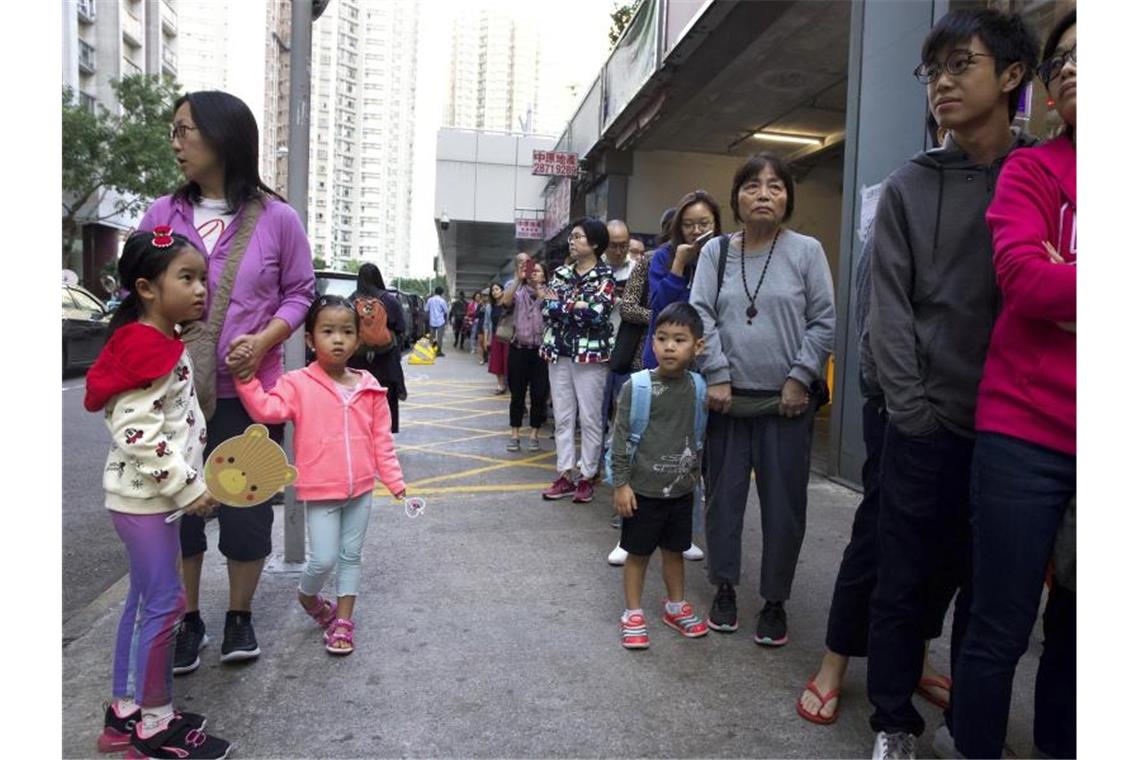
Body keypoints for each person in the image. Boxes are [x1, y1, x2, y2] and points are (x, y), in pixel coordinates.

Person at [865, 10, 1039, 758]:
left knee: (990, 594)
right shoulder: (910, 184)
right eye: (932, 69)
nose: (942, 81)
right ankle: (893, 722)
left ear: (1010, 76)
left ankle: (971, 724)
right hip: (929, 425)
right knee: (903, 579)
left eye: (960, 64)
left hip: (1020, 432)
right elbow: (890, 309)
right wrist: (915, 413)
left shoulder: (1043, 177)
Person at [138, 90, 316, 671]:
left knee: (245, 509)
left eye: (185, 130)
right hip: (170, 397)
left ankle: (238, 616)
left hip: (249, 396)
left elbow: (299, 293)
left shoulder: (277, 218)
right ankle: (188, 620)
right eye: (175, 130)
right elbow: (134, 289)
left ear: (222, 136)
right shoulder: (162, 215)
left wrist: (264, 342)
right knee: (177, 509)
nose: (176, 141)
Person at [947, 11, 1076, 759]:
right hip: (1022, 433)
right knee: (999, 623)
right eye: (1060, 56)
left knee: (1085, 631)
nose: (1069, 67)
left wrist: (1074, 281)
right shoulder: (1031, 170)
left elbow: (1057, 285)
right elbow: (1027, 284)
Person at [795, 223, 953, 727]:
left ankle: (917, 655)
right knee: (876, 536)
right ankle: (835, 659)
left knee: (944, 546)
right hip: (901, 407)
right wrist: (896, 402)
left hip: (973, 409)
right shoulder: (907, 197)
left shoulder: (1010, 185)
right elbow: (870, 318)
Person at [84, 230, 232, 759]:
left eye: (203, 279)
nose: (200, 290)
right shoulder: (148, 347)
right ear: (147, 287)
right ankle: (153, 725)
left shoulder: (156, 341)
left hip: (144, 500)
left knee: (146, 603)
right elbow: (136, 430)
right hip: (147, 500)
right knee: (167, 606)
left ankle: (125, 712)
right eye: (186, 278)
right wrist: (187, 486)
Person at [690, 153, 835, 647]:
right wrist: (717, 375)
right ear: (736, 199)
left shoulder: (806, 251)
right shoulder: (716, 254)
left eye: (775, 186)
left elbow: (823, 320)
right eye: (752, 186)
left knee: (784, 508)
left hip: (786, 405)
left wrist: (800, 377)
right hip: (727, 402)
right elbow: (700, 314)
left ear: (788, 197)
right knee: (723, 503)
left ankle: (775, 600)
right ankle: (724, 587)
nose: (764, 194)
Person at [229, 295, 407, 656]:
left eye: (346, 332)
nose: (338, 339)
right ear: (311, 339)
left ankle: (343, 621)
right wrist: (245, 381)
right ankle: (308, 597)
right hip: (320, 490)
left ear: (358, 339)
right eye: (327, 331)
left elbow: (381, 441)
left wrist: (394, 481)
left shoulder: (369, 385)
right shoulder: (297, 383)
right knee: (323, 559)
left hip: (361, 489)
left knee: (351, 555)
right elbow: (268, 409)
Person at [612, 302, 710, 649]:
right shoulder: (637, 387)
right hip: (642, 492)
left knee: (675, 551)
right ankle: (633, 612)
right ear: (652, 343)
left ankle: (675, 605)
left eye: (680, 339)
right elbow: (620, 439)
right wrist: (621, 485)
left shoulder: (698, 388)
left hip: (680, 492)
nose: (669, 346)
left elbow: (699, 438)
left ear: (698, 346)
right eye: (663, 338)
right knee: (637, 555)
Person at [540, 217, 615, 504]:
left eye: (578, 237)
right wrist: (578, 305)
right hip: (558, 353)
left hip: (590, 356)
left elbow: (598, 313)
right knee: (563, 418)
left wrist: (565, 305)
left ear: (595, 243)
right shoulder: (559, 273)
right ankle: (564, 475)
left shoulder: (605, 276)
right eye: (571, 237)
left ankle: (587, 477)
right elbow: (547, 308)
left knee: (591, 418)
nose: (572, 241)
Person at [347, 263, 407, 434]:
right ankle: (383, 436)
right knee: (385, 401)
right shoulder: (389, 300)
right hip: (386, 361)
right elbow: (401, 328)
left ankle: (360, 435)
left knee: (359, 399)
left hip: (357, 361)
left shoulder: (351, 300)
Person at [505, 261, 549, 451]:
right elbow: (505, 302)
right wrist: (518, 277)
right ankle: (515, 434)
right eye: (531, 271)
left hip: (541, 352)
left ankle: (534, 434)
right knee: (517, 394)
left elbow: (556, 313)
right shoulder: (518, 292)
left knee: (539, 394)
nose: (533, 273)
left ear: (544, 276)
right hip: (518, 349)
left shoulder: (549, 293)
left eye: (537, 271)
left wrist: (543, 295)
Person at [485, 282, 510, 393]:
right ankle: (500, 385)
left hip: (508, 336)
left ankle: (510, 383)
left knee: (508, 361)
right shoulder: (490, 307)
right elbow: (487, 324)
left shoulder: (508, 304)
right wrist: (487, 339)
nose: (494, 292)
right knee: (497, 361)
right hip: (496, 336)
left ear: (502, 290)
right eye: (493, 290)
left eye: (497, 289)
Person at [426, 286, 449, 356]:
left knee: (431, 337)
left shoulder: (430, 300)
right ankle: (438, 352)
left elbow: (426, 310)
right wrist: (446, 322)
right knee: (440, 337)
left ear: (435, 292)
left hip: (432, 321)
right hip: (440, 321)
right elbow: (446, 311)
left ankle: (429, 351)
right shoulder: (442, 301)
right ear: (441, 293)